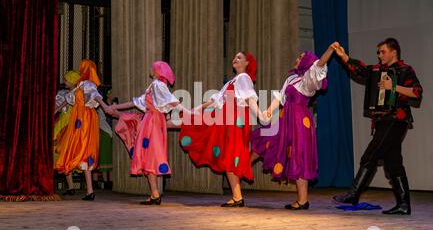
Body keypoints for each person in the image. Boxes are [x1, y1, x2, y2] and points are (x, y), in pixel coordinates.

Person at [332, 38, 423, 215]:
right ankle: (403, 205)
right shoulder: (377, 71)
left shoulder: (405, 70)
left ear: (393, 52)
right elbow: (359, 70)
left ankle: (353, 194)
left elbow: (417, 93)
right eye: (378, 52)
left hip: (396, 120)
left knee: (370, 155)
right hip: (383, 120)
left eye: (383, 52)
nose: (379, 55)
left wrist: (393, 86)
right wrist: (343, 56)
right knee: (393, 163)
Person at [179, 52, 267, 207]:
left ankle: (238, 197)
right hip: (226, 118)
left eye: (240, 57)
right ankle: (237, 196)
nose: (235, 59)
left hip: (236, 119)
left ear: (247, 63)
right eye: (235, 57)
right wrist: (197, 109)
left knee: (231, 154)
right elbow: (216, 100)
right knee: (228, 155)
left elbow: (249, 98)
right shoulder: (232, 81)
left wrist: (260, 114)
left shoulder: (243, 78)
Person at [250, 46, 334, 210]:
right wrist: (269, 110)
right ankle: (243, 167)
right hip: (286, 118)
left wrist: (330, 50)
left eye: (301, 57)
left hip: (299, 120)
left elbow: (319, 64)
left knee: (299, 155)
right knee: (267, 138)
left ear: (307, 62)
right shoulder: (291, 79)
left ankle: (303, 201)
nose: (297, 59)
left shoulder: (308, 80)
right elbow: (280, 97)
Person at [111, 61, 185, 205]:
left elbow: (171, 101)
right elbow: (137, 102)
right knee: (148, 155)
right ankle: (154, 194)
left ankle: (155, 194)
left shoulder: (158, 85)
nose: (151, 69)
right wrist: (115, 108)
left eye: (153, 68)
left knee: (150, 154)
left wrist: (187, 112)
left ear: (158, 71)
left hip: (152, 121)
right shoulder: (153, 86)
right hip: (150, 120)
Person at [55, 59, 111, 201]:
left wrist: (105, 106)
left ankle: (89, 190)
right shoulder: (79, 86)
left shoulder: (88, 84)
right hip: (79, 119)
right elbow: (68, 100)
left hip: (85, 119)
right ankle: (90, 191)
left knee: (84, 149)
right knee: (81, 151)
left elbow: (95, 96)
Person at [54, 70, 83, 196]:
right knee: (61, 153)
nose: (64, 82)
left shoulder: (78, 93)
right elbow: (60, 106)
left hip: (72, 125)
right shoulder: (65, 94)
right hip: (63, 124)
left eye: (66, 80)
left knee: (70, 152)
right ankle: (70, 186)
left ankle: (71, 186)